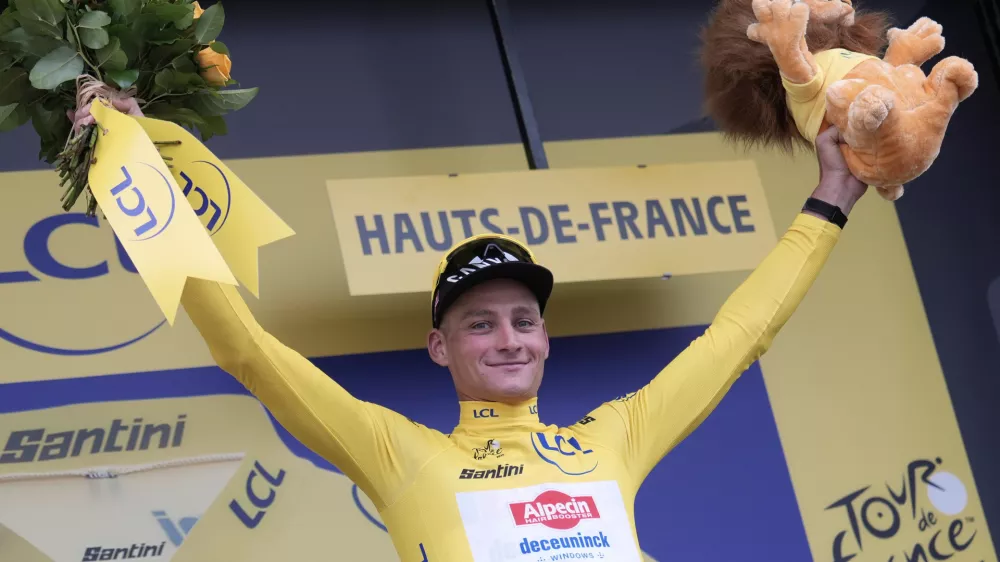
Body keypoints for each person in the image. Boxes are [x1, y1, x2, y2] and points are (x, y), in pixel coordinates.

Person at [180, 125, 868, 561]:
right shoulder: (399, 454)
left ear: (545, 338)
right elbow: (248, 351)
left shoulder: (611, 438)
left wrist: (830, 199)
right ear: (439, 347)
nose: (508, 339)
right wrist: (144, 198)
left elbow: (739, 336)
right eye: (480, 324)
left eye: (524, 320)